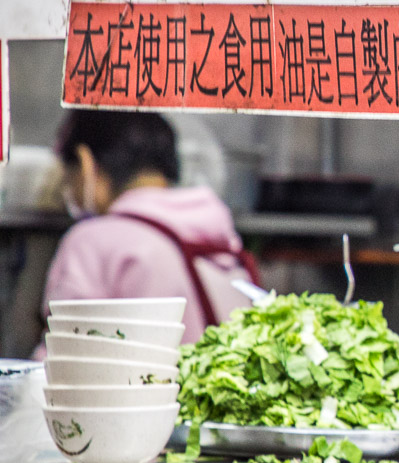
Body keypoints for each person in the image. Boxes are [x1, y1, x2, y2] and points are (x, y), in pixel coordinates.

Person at [43, 109, 260, 344]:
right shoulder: (219, 234)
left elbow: (66, 353)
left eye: (68, 176)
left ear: (85, 163)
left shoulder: (91, 241)